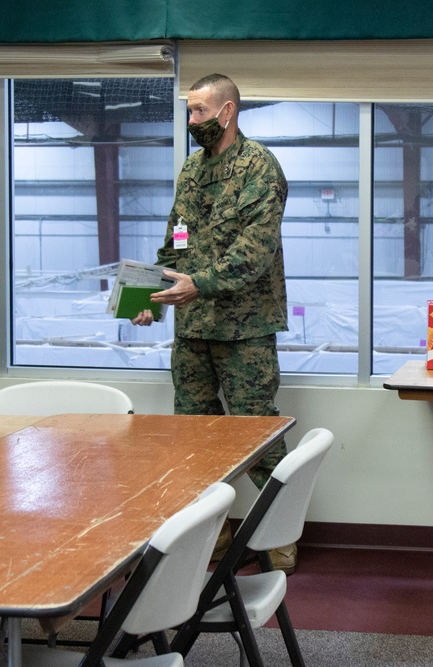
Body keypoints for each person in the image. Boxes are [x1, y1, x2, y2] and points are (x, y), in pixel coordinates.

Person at [132, 73, 296, 572]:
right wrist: (149, 297)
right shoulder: (190, 172)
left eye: (200, 111)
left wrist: (197, 284)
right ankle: (214, 532)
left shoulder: (259, 168)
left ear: (227, 112)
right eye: (189, 111)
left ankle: (279, 535)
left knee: (256, 433)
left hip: (243, 328)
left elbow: (254, 254)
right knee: (195, 437)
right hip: (193, 328)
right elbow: (174, 245)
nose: (191, 120)